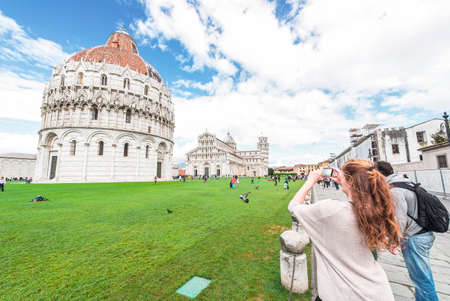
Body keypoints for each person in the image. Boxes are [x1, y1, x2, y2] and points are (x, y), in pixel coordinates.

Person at [288, 159, 400, 300]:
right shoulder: (378, 212)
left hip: (342, 293)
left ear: (351, 181)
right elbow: (356, 203)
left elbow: (293, 207)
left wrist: (310, 181)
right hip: (378, 291)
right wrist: (346, 182)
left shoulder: (331, 211)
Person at [375, 161, 439, 301]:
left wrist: (392, 241)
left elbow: (399, 220)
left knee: (421, 279)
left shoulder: (394, 190)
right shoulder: (405, 181)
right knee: (422, 277)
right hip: (422, 234)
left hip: (414, 238)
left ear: (379, 175)